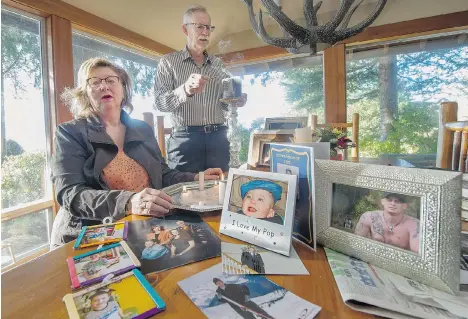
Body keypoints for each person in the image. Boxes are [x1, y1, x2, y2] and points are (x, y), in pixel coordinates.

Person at [50, 57, 223, 248]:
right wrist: (128, 201)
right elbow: (70, 194)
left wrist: (196, 177)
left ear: (123, 88)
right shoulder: (69, 132)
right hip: (92, 236)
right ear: (85, 93)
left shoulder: (142, 129)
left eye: (110, 80)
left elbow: (163, 175)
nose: (104, 86)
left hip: (145, 228)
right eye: (95, 82)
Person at [154, 5, 247, 173]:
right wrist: (185, 90)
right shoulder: (167, 62)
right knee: (184, 193)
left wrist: (234, 101)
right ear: (185, 29)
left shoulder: (218, 65)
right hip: (185, 142)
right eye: (199, 27)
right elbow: (160, 103)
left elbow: (223, 105)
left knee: (220, 191)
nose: (205, 32)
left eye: (208, 27)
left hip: (219, 138)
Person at [354, 193, 420, 253]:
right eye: (389, 200)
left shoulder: (414, 225)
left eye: (397, 201)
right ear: (383, 201)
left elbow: (417, 253)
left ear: (404, 206)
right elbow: (356, 244)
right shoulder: (369, 217)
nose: (393, 203)